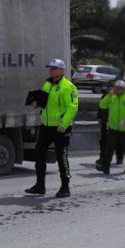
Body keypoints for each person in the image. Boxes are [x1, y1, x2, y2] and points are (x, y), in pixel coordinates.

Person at [25, 58, 79, 198]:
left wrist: (63, 124)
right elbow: (44, 101)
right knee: (39, 153)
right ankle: (40, 186)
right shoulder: (47, 84)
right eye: (50, 67)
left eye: (54, 68)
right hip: (46, 126)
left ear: (61, 70)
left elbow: (73, 108)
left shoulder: (68, 86)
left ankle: (65, 187)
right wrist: (36, 103)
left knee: (62, 157)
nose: (51, 70)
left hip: (61, 128)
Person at [96, 80, 125, 174]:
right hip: (113, 128)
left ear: (124, 89)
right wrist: (109, 95)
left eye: (120, 88)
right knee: (109, 148)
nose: (118, 89)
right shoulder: (112, 97)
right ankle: (106, 167)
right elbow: (102, 105)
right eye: (116, 87)